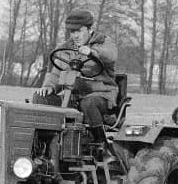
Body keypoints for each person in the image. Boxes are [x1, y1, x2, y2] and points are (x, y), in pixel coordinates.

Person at [34, 8, 118, 149]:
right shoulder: (67, 48)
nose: (75, 35)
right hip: (72, 97)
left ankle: (100, 144)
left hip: (101, 95)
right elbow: (57, 72)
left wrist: (93, 52)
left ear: (89, 29)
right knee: (40, 97)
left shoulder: (103, 42)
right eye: (72, 32)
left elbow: (111, 56)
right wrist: (49, 86)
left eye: (79, 31)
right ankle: (45, 144)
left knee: (88, 103)